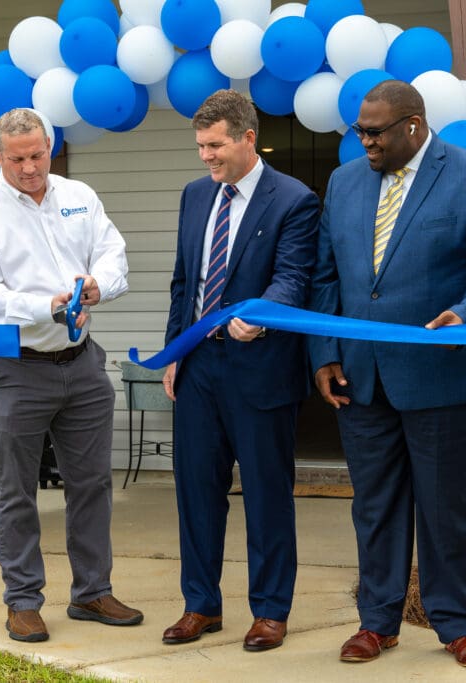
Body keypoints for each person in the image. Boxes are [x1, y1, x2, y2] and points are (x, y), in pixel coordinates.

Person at [309, 80, 466, 668]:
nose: (365, 142)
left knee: (446, 506)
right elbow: (326, 276)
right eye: (359, 131)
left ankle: (456, 624)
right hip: (362, 378)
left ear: (414, 126)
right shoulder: (345, 181)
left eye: (375, 133)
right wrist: (325, 352)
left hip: (446, 375)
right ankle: (377, 623)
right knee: (374, 506)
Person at [0, 108, 142, 643]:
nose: (30, 167)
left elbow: (112, 252)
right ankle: (22, 600)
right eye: (17, 159)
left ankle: (91, 591)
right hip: (16, 366)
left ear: (50, 147)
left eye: (38, 155)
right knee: (15, 489)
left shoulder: (78, 194)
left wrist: (97, 286)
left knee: (92, 483)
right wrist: (46, 304)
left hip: (81, 363)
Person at [160, 89, 320, 652]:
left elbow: (293, 278)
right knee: (196, 492)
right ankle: (200, 605)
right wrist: (175, 351)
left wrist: (260, 316)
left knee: (266, 493)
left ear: (248, 138)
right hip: (199, 366)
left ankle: (271, 610)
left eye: (216, 145)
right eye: (201, 146)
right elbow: (185, 282)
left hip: (260, 368)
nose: (206, 156)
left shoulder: (295, 200)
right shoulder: (194, 196)